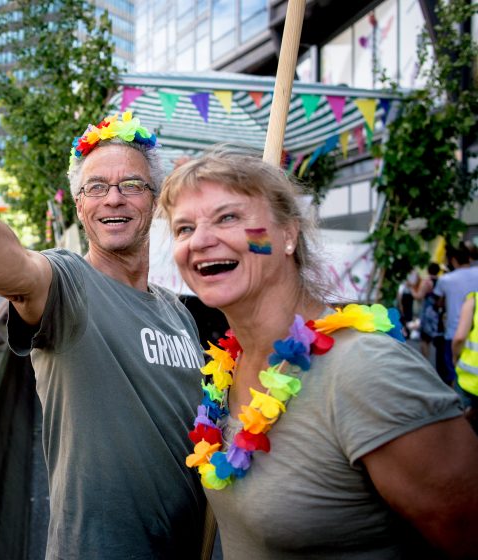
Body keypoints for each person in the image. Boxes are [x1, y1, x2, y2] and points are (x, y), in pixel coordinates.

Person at [0, 111, 208, 558]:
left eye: (131, 185)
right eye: (96, 187)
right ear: (80, 204)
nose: (113, 199)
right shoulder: (69, 284)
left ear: (153, 201)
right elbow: (15, 267)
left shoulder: (179, 313)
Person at [158, 148, 478, 559]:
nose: (199, 240)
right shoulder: (230, 367)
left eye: (228, 217)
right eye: (184, 229)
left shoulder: (365, 370)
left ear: (288, 234)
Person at [435, 243, 478, 385]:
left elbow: (438, 303)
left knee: (454, 377)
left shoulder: (446, 280)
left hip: (454, 332)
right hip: (475, 334)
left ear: (452, 259)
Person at [453, 291, 478, 426]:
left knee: (460, 423)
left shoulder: (474, 300)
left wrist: (455, 356)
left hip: (470, 380)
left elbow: (459, 338)